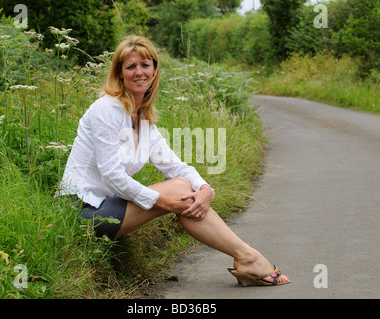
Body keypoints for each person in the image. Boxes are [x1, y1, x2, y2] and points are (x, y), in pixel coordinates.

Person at [59, 35, 290, 286]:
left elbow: (175, 166)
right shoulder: (107, 110)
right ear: (120, 73)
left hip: (110, 205)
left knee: (184, 184)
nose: (139, 72)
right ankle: (248, 258)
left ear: (155, 70)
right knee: (180, 189)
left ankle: (247, 257)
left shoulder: (142, 119)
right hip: (81, 210)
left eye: (145, 65)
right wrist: (162, 201)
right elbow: (112, 176)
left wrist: (205, 190)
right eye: (131, 66)